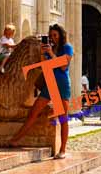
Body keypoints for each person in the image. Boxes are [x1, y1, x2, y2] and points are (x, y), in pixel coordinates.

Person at [10, 24, 73, 159]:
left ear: (61, 36)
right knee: (34, 112)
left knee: (63, 118)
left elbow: (63, 66)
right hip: (50, 82)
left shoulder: (67, 47)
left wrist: (50, 53)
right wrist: (43, 53)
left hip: (61, 84)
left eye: (55, 35)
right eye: (50, 36)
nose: (53, 38)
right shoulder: (49, 48)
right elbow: (45, 67)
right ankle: (16, 140)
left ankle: (62, 150)